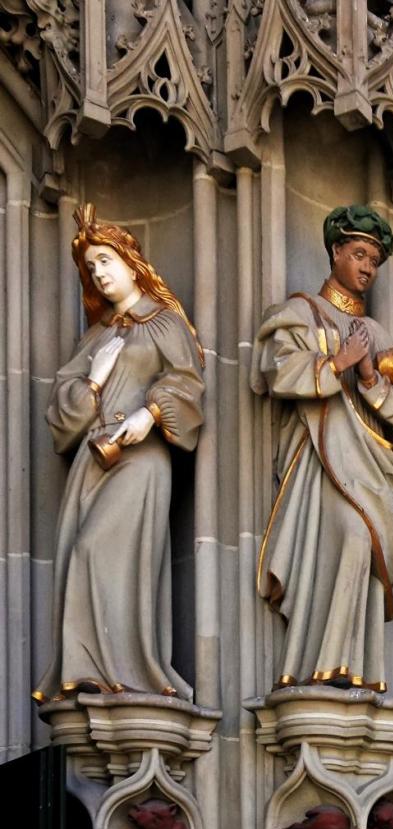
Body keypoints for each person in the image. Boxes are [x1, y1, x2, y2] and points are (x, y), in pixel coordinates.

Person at [32, 204, 205, 704]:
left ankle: (131, 672)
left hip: (141, 458)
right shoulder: (96, 337)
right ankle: (85, 672)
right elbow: (59, 414)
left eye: (105, 261)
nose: (99, 274)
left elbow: (189, 384)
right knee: (81, 554)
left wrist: (150, 414)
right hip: (93, 460)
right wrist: (94, 380)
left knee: (95, 549)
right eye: (91, 268)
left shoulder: (165, 324)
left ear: (132, 262)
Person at [253, 205, 393, 691]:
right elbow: (276, 373)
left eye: (375, 261)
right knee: (349, 538)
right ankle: (317, 662)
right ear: (335, 251)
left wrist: (367, 376)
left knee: (363, 546)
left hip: (365, 463)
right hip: (319, 461)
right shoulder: (299, 312)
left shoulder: (378, 335)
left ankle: (351, 665)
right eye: (359, 254)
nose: (367, 268)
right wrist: (337, 362)